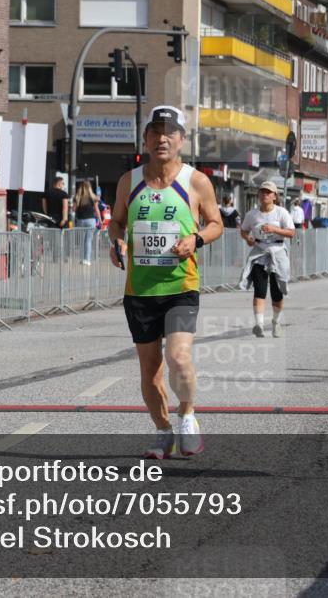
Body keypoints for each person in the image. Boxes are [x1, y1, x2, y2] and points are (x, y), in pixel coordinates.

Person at [107, 105, 223, 460]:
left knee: (178, 357)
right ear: (145, 138)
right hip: (140, 291)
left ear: (181, 140)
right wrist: (116, 242)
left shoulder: (196, 181)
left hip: (180, 288)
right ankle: (162, 431)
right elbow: (117, 222)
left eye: (170, 132)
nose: (162, 138)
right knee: (150, 370)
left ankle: (187, 416)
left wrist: (197, 240)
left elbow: (216, 223)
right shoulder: (130, 180)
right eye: (155, 131)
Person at [238, 181, 295, 338]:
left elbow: (291, 233)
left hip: (277, 252)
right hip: (260, 252)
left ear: (275, 196)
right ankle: (259, 325)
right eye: (262, 192)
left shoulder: (281, 213)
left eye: (268, 192)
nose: (265, 195)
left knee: (277, 292)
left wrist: (274, 229)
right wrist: (248, 238)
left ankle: (276, 323)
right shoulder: (252, 214)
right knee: (259, 290)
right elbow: (243, 231)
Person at [73, 180, 99, 265]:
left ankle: (81, 259)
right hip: (91, 220)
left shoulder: (77, 197)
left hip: (80, 220)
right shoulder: (93, 197)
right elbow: (96, 210)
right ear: (90, 188)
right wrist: (100, 220)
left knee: (81, 240)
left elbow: (74, 209)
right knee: (88, 240)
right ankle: (87, 260)